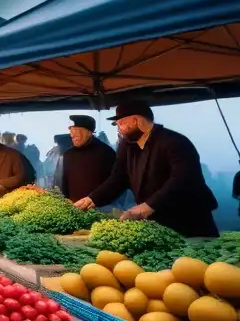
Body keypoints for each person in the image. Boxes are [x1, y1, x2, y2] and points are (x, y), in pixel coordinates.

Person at [73, 100, 219, 237]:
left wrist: (147, 206)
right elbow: (118, 178)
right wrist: (92, 198)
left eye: (122, 123)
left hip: (190, 220)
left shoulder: (175, 142)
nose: (119, 128)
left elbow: (182, 180)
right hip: (157, 222)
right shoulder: (126, 145)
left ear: (137, 121)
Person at [59, 116, 116, 202]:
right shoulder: (68, 154)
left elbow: (115, 181)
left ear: (89, 132)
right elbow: (65, 182)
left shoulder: (106, 152)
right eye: (71, 131)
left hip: (101, 206)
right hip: (74, 206)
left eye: (76, 131)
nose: (72, 135)